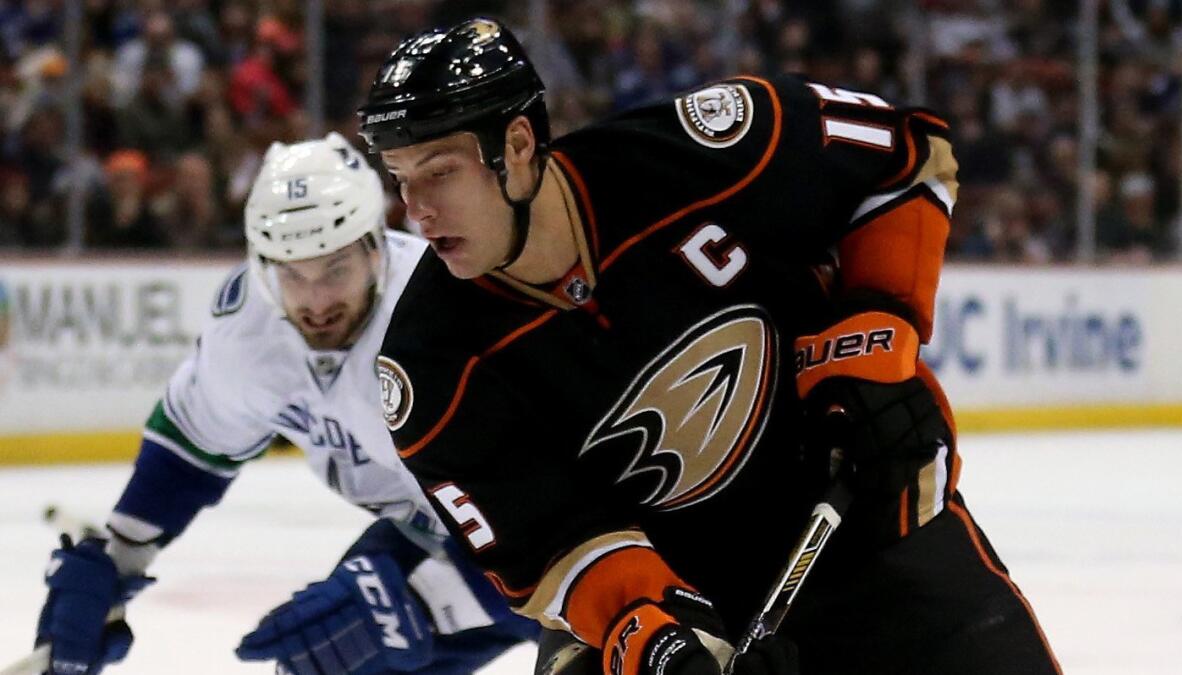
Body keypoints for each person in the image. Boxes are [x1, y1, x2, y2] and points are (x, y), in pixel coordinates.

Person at [357, 17, 1062, 675]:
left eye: (440, 171)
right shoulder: (430, 365)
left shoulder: (694, 156)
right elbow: (548, 549)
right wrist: (654, 634)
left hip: (855, 514)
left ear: (516, 146)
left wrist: (869, 347)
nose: (414, 208)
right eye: (401, 177)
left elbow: (906, 155)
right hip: (681, 595)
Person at [33, 132, 538, 675]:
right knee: (327, 661)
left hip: (573, 540)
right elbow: (190, 453)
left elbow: (558, 516)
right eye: (293, 275)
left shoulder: (447, 323)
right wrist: (118, 558)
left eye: (336, 269)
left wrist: (419, 602)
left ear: (377, 248)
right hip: (431, 527)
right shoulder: (250, 330)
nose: (317, 301)